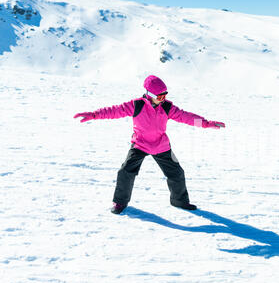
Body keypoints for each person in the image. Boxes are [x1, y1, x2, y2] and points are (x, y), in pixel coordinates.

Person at [74, 75, 225, 214]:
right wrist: (94, 114)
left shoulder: (167, 107)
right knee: (126, 171)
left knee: (177, 173)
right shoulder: (136, 105)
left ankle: (179, 201)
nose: (163, 98)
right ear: (150, 95)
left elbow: (185, 117)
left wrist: (205, 123)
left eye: (165, 95)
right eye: (160, 96)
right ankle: (120, 203)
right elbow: (114, 111)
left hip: (161, 146)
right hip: (140, 144)